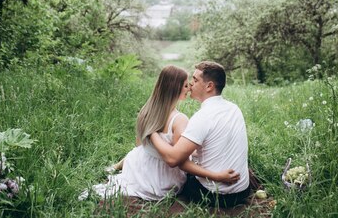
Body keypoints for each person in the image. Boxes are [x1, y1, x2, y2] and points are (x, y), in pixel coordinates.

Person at [84, 65, 239, 201]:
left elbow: (140, 145)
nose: (190, 87)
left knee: (133, 153)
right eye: (186, 85)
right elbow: (180, 160)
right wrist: (216, 174)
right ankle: (117, 166)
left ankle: (117, 166)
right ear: (175, 89)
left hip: (139, 168)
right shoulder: (180, 120)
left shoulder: (145, 112)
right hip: (162, 179)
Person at [150, 61, 250, 207]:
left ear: (209, 86)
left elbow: (173, 160)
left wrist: (152, 133)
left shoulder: (202, 117)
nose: (190, 84)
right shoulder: (234, 108)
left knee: (182, 174)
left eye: (195, 80)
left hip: (214, 195)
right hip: (242, 190)